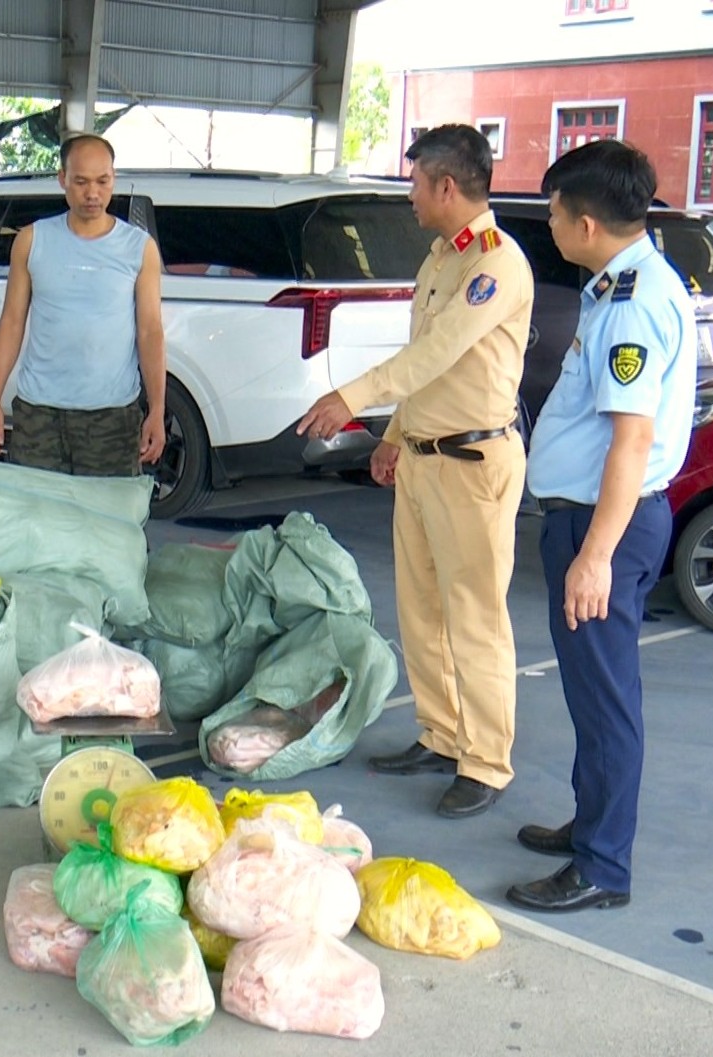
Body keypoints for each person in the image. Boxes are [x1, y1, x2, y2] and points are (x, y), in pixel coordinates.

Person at [297, 124, 533, 819]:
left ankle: (485, 761)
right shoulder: (440, 258)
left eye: (414, 184)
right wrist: (394, 434)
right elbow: (426, 358)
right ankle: (440, 731)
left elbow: (437, 354)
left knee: (475, 618)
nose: (410, 197)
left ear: (445, 186)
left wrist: (350, 398)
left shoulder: (495, 264)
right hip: (425, 457)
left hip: (472, 462)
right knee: (422, 611)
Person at [506, 141, 695, 912]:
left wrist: (595, 556)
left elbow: (632, 439)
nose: (547, 225)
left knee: (607, 700)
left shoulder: (630, 303)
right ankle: (592, 822)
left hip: (602, 525)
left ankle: (601, 866)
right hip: (593, 518)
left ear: (584, 221)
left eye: (551, 213)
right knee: (593, 694)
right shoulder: (619, 284)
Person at [0, 133, 166, 477]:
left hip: (111, 417)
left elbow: (150, 331)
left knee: (108, 524)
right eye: (80, 181)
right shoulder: (32, 240)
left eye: (102, 181)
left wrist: (157, 409)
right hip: (39, 415)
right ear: (62, 179)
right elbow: (12, 322)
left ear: (114, 178)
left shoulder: (139, 248)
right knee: (37, 518)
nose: (92, 193)